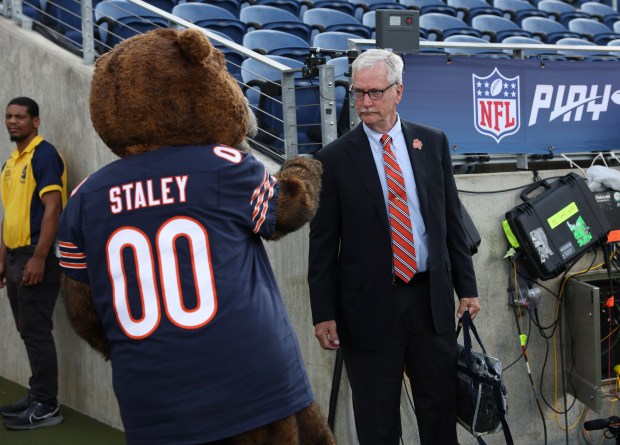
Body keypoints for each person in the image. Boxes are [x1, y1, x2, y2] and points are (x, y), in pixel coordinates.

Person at [307, 49, 481, 445]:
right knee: (377, 422)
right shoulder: (332, 159)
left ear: (398, 92)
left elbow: (451, 221)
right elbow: (322, 245)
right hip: (368, 309)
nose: (365, 102)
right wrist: (323, 312)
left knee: (439, 415)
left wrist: (466, 288)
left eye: (375, 92)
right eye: (358, 93)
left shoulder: (432, 142)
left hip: (430, 303)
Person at [0, 97, 67, 430]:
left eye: (21, 117)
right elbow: (9, 213)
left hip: (35, 256)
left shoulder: (44, 155)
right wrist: (2, 259)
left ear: (36, 122)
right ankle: (37, 393)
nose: (13, 122)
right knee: (27, 331)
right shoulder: (11, 162)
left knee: (37, 332)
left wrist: (39, 257)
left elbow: (53, 208)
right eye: (9, 116)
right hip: (14, 257)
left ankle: (46, 406)